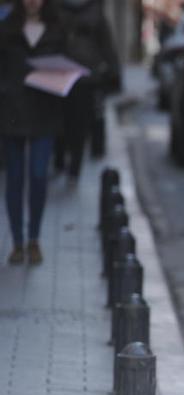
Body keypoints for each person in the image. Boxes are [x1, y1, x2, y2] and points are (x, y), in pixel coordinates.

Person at [0, 0, 68, 265]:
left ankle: (34, 239)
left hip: (44, 111)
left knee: (39, 175)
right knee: (15, 178)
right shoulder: (7, 29)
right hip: (12, 112)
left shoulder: (57, 29)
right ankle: (17, 242)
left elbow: (68, 64)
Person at [54, 0, 119, 178]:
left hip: (84, 76)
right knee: (64, 122)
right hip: (62, 73)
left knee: (78, 123)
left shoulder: (94, 11)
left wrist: (114, 71)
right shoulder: (56, 9)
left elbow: (106, 43)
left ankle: (73, 166)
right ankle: (63, 162)